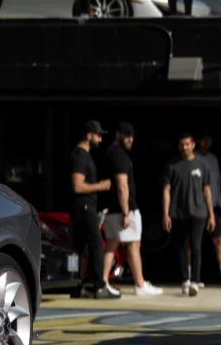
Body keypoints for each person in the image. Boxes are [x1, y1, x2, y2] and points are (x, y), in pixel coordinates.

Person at [100, 122, 163, 297]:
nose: (130, 139)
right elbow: (122, 186)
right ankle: (140, 284)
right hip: (124, 209)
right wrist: (126, 212)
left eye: (132, 136)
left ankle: (103, 282)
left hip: (111, 209)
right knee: (134, 245)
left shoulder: (109, 153)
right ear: (118, 134)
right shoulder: (119, 155)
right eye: (127, 136)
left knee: (112, 245)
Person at [69, 120, 119, 299]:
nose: (100, 139)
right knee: (96, 244)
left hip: (84, 207)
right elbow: (77, 186)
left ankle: (78, 284)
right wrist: (101, 185)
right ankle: (99, 286)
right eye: (98, 135)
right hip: (83, 207)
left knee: (80, 247)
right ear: (89, 135)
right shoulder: (80, 156)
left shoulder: (83, 155)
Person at [162, 134, 216, 297]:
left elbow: (207, 190)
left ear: (193, 144)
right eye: (181, 144)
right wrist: (166, 214)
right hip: (178, 213)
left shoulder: (202, 165)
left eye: (187, 144)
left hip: (199, 212)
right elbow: (166, 190)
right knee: (181, 247)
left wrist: (211, 214)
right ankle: (185, 279)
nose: (184, 147)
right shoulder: (172, 165)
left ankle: (195, 280)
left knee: (196, 246)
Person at [188, 132, 221, 287]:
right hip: (197, 207)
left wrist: (218, 202)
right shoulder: (192, 159)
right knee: (193, 243)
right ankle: (190, 277)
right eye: (203, 139)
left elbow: (217, 183)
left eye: (209, 139)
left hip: (215, 206)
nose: (206, 142)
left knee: (218, 239)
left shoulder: (213, 159)